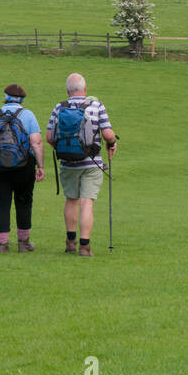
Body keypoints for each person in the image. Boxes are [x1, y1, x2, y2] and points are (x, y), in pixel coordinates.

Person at [46, 73, 117, 257]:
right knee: (87, 203)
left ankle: (70, 243)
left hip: (68, 164)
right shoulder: (96, 105)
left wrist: (64, 149)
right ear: (85, 90)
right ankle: (84, 247)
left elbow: (49, 137)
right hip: (92, 163)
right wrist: (112, 144)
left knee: (71, 200)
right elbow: (108, 134)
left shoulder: (59, 107)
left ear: (68, 91)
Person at [0, 83, 45, 253]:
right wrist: (40, 166)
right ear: (22, 99)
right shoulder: (28, 115)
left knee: (0, 203)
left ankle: (2, 244)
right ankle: (23, 243)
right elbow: (36, 143)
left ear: (5, 97)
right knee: (24, 201)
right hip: (24, 166)